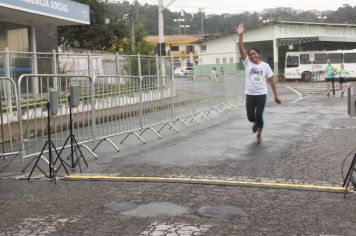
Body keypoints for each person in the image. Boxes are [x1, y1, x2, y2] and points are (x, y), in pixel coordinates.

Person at [236, 23, 281, 143]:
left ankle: (259, 134)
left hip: (261, 94)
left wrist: (276, 95)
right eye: (250, 55)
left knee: (259, 115)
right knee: (251, 117)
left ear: (258, 54)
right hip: (250, 94)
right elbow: (241, 48)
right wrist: (241, 34)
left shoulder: (265, 66)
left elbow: (271, 80)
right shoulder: (247, 63)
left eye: (254, 53)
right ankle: (254, 122)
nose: (252, 56)